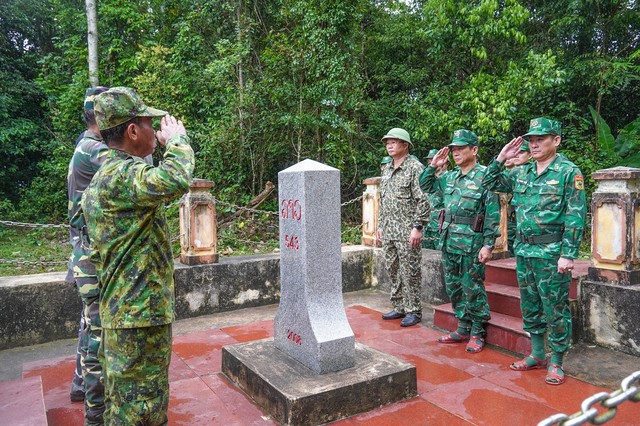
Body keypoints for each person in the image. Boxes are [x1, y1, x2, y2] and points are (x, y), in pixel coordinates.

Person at [81, 87, 194, 423]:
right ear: (132, 131)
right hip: (138, 317)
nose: (155, 131)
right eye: (149, 124)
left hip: (129, 313)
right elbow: (176, 178)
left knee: (134, 402)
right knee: (139, 409)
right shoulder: (121, 176)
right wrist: (177, 140)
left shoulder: (114, 176)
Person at [482, 117, 586, 385]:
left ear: (556, 140)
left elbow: (575, 216)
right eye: (531, 140)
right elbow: (489, 181)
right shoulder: (521, 172)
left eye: (541, 139)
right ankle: (538, 354)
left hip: (552, 253)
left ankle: (557, 361)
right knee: (530, 305)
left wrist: (568, 253)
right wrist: (501, 158)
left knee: (555, 307)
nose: (535, 143)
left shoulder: (568, 172)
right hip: (525, 251)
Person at [420, 129, 500, 353]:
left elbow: (493, 213)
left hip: (472, 243)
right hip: (448, 241)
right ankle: (462, 326)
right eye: (453, 149)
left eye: (460, 149)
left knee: (472, 287)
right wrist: (433, 166)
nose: (455, 153)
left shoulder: (485, 176)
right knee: (454, 287)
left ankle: (477, 331)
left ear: (474, 150)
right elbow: (426, 186)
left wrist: (488, 244)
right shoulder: (449, 177)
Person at [66, 86, 109, 424]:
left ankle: (81, 383)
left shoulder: (86, 144)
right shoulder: (94, 150)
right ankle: (96, 410)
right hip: (91, 256)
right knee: (97, 329)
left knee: (88, 323)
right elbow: (137, 171)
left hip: (85, 252)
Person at [377, 128, 430, 327]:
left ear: (405, 145)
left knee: (410, 271)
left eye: (394, 142)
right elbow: (384, 200)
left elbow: (423, 200)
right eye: (387, 142)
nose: (389, 145)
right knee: (393, 269)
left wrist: (418, 226)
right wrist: (381, 225)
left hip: (407, 231)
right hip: (390, 229)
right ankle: (399, 306)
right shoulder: (387, 168)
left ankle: (413, 310)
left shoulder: (415, 168)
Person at [504, 141, 531, 255]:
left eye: (521, 152)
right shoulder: (509, 175)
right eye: (515, 152)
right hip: (507, 222)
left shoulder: (532, 174)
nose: (516, 155)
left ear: (530, 155)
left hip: (524, 225)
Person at [422, 148, 447, 249]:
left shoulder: (446, 178)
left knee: (440, 254)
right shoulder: (427, 180)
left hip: (439, 224)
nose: (431, 162)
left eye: (433, 159)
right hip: (426, 223)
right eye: (429, 161)